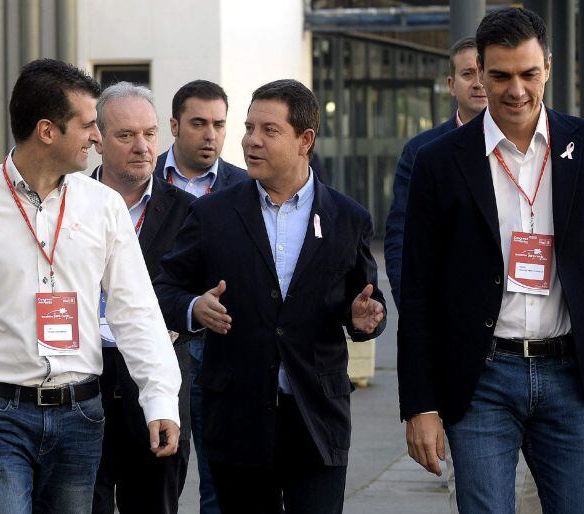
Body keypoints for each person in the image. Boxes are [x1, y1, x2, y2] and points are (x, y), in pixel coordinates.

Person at [0, 59, 181, 514]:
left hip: (81, 415)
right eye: (89, 125)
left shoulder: (104, 207)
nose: (97, 136)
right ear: (47, 131)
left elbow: (137, 313)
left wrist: (160, 399)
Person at [398, 8, 584, 514]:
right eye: (501, 75)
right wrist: (420, 404)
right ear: (480, 74)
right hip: (481, 379)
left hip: (570, 376)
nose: (516, 90)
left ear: (548, 68)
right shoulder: (439, 161)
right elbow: (419, 288)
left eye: (529, 74)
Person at [155, 79, 386, 514]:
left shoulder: (347, 218)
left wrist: (364, 317)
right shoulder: (212, 214)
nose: (250, 141)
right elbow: (164, 287)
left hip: (317, 419)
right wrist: (192, 307)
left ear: (305, 140)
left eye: (268, 130)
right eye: (248, 128)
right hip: (239, 419)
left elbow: (367, 302)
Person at [91, 82, 196, 514]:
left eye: (150, 134)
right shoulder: (65, 207)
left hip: (158, 380)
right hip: (83, 381)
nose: (142, 146)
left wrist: (187, 317)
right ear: (97, 140)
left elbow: (206, 298)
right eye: (126, 135)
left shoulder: (191, 214)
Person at [154, 79, 247, 514]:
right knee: (158, 481)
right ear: (174, 125)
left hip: (223, 353)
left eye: (219, 124)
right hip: (158, 350)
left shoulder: (246, 187)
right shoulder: (141, 178)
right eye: (198, 123)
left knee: (223, 482)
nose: (211, 134)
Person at [384, 36, 487, 310]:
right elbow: (400, 235)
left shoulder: (524, 146)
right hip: (447, 312)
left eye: (485, 72)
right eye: (468, 74)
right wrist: (411, 307)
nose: (478, 82)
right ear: (451, 85)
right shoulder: (421, 151)